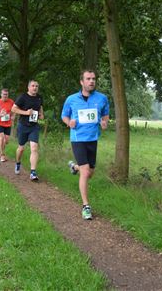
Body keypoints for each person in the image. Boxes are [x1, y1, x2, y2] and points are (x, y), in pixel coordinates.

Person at [61, 70, 109, 220]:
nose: (91, 81)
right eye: (88, 79)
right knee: (85, 171)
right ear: (82, 82)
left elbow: (105, 115)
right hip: (78, 139)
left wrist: (104, 122)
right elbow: (64, 115)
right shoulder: (71, 99)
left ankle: (73, 167)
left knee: (90, 173)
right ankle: (86, 206)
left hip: (93, 139)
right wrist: (69, 122)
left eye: (93, 79)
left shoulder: (102, 98)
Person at [11, 80, 44, 181]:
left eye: (36, 86)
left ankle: (33, 172)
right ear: (28, 87)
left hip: (34, 127)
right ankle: (18, 163)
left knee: (34, 148)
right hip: (23, 126)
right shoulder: (23, 97)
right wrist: (26, 112)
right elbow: (13, 109)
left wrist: (41, 115)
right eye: (33, 86)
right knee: (21, 148)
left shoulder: (39, 97)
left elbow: (40, 108)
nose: (35, 88)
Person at [0, 88, 15, 162]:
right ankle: (2, 155)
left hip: (8, 123)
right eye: (4, 94)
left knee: (6, 141)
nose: (5, 96)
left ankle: (3, 151)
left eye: (6, 94)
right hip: (0, 122)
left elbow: (14, 110)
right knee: (2, 138)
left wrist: (13, 116)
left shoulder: (11, 102)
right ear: (1, 94)